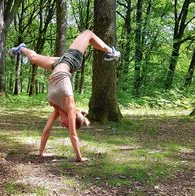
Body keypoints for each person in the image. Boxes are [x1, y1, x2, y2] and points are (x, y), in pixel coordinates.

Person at [8, 30, 120, 162]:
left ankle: (22, 49)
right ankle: (110, 51)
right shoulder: (70, 107)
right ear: (72, 117)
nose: (64, 126)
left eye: (66, 126)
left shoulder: (58, 109)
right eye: (68, 125)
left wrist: (41, 152)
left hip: (59, 64)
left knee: (33, 58)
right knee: (88, 33)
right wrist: (79, 157)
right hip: (71, 61)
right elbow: (73, 134)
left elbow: (47, 130)